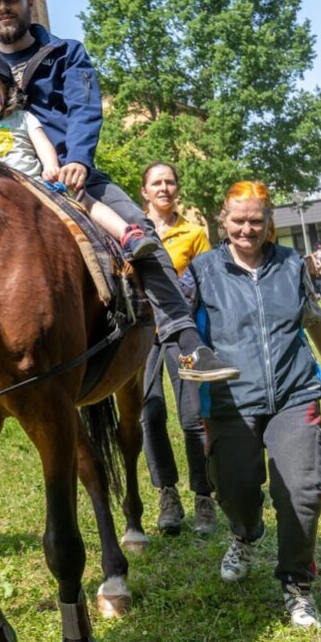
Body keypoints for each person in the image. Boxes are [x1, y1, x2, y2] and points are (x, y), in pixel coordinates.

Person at [0, 0, 239, 427]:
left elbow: (84, 110)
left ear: (29, 4)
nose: (4, 8)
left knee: (142, 232)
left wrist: (79, 161)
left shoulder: (66, 54)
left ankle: (187, 343)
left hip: (65, 173)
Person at [182, 181, 321, 630]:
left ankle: (297, 587)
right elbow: (177, 325)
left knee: (303, 490)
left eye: (256, 220)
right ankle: (246, 533)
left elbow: (312, 314)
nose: (246, 229)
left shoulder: (291, 264)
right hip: (231, 400)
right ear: (222, 220)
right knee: (234, 489)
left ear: (270, 221)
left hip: (294, 391)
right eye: (238, 220)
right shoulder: (202, 270)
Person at [0, 49, 158, 260]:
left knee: (79, 197)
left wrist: (51, 166)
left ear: (7, 91)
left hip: (34, 183)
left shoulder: (23, 118)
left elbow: (42, 144)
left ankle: (126, 233)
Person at [137, 161, 215, 535]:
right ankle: (167, 495)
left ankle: (204, 497)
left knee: (192, 417)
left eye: (169, 182)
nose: (164, 188)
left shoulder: (194, 233)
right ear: (145, 192)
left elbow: (206, 283)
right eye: (156, 183)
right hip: (141, 339)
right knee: (150, 416)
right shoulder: (131, 231)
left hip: (181, 333)